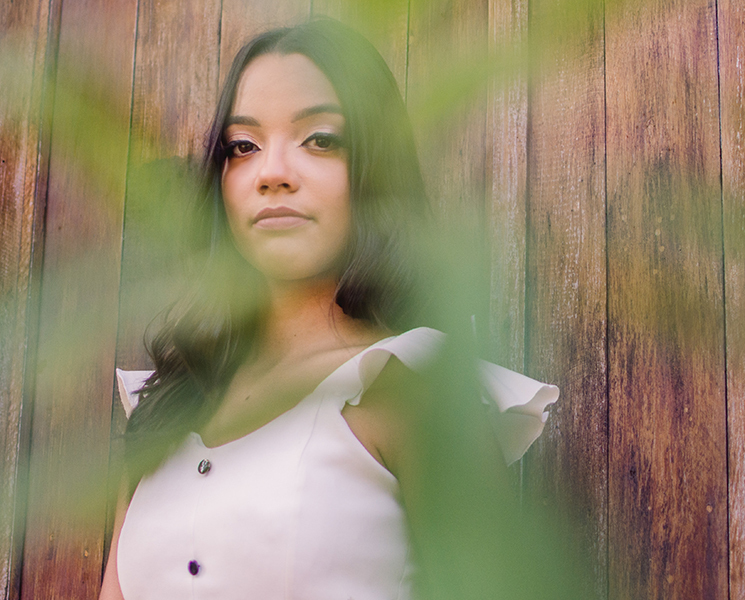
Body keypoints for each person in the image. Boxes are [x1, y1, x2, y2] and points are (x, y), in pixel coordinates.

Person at [99, 18, 560, 600]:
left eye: (320, 139)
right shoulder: (163, 402)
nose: (272, 174)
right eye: (244, 146)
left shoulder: (408, 386)